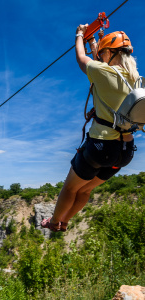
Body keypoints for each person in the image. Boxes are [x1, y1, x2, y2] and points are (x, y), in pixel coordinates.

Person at [41, 24, 139, 232]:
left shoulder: (101, 71)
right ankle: (65, 222)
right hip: (125, 152)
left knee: (70, 188)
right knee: (84, 191)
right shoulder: (136, 79)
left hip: (101, 147)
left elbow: (81, 58)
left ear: (111, 53)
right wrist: (94, 42)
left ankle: (54, 222)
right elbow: (101, 64)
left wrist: (79, 35)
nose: (101, 56)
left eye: (104, 52)